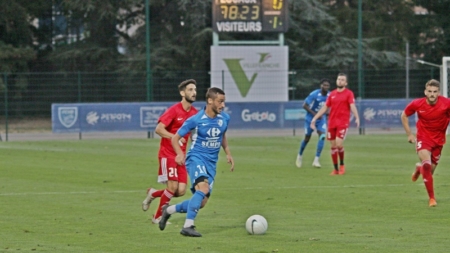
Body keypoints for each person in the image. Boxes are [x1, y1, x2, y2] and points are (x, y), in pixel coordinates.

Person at [158, 87, 234, 237]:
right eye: (220, 101)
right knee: (203, 188)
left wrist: (228, 153)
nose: (223, 105)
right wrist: (179, 154)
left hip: (211, 163)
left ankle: (168, 210)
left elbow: (222, 135)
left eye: (224, 102)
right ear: (210, 100)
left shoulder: (224, 118)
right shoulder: (196, 119)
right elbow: (175, 138)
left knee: (202, 202)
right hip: (196, 158)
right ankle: (188, 226)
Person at [142, 79, 198, 223]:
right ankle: (157, 217)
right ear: (182, 93)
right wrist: (176, 137)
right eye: (190, 90)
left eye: (195, 90)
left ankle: (154, 193)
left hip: (181, 156)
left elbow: (194, 134)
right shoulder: (174, 110)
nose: (194, 93)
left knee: (180, 191)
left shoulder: (195, 113)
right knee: (172, 187)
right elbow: (159, 129)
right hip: (168, 154)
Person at [400, 79, 450, 207]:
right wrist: (409, 134)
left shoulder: (446, 104)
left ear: (438, 92)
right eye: (429, 91)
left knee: (429, 171)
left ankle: (419, 168)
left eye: (435, 92)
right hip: (423, 138)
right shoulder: (417, 104)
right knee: (427, 165)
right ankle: (432, 199)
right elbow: (404, 115)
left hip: (439, 140)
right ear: (425, 92)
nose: (432, 94)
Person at [310, 73, 360, 175]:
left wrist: (357, 117)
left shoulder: (349, 93)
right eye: (338, 79)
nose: (340, 81)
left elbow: (352, 105)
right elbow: (325, 107)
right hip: (332, 123)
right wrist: (314, 118)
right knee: (333, 146)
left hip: (343, 123)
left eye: (342, 80)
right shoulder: (332, 94)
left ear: (345, 83)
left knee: (339, 144)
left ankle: (342, 165)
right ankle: (335, 169)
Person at [296, 78, 331, 168]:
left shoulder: (330, 95)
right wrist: (315, 114)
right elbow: (304, 105)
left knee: (322, 136)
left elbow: (330, 106)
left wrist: (327, 112)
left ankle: (316, 160)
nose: (326, 87)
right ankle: (299, 156)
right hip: (310, 118)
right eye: (324, 85)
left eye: (327, 85)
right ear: (321, 86)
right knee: (307, 138)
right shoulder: (314, 94)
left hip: (321, 119)